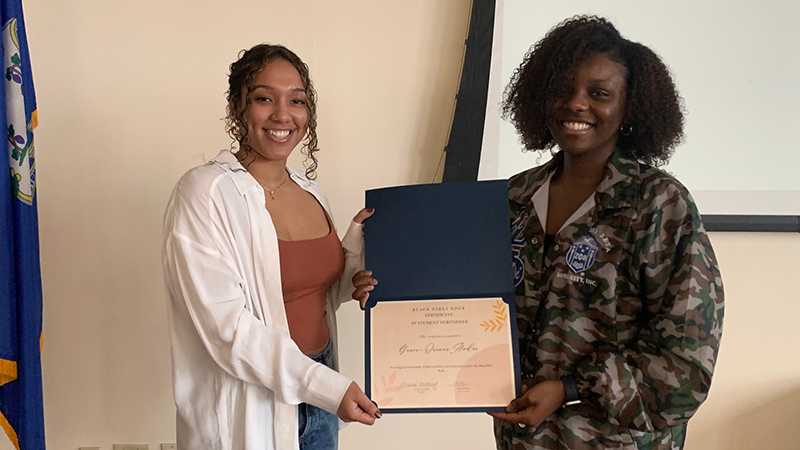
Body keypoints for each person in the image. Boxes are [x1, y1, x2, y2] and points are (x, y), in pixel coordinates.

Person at [486, 16, 724, 450]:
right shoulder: (514, 197)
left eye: (599, 94)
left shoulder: (659, 204)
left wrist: (569, 388)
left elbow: (686, 364)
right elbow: (468, 302)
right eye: (563, 89)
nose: (576, 104)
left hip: (615, 440)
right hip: (522, 438)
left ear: (629, 106)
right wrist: (390, 294)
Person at [162, 44, 380, 450]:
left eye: (296, 101)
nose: (283, 115)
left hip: (321, 400)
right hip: (253, 410)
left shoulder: (312, 191)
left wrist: (354, 276)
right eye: (264, 98)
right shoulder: (206, 192)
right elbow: (228, 330)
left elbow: (308, 295)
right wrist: (327, 387)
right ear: (236, 108)